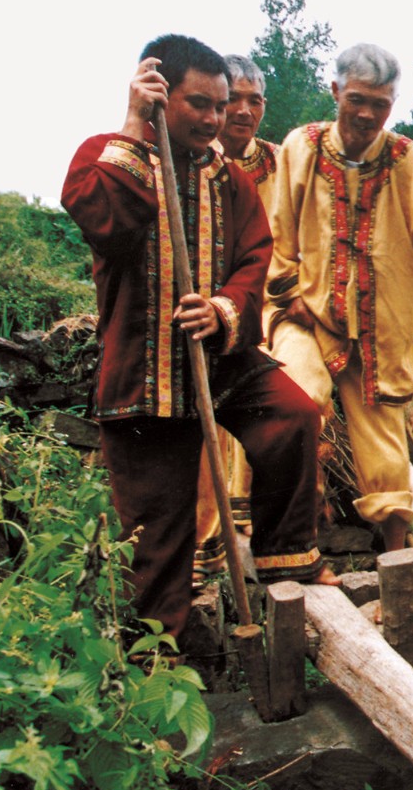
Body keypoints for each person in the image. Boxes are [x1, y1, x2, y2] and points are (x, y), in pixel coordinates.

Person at [62, 34, 332, 647]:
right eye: (200, 105)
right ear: (157, 93)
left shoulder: (229, 182)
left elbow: (253, 259)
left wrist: (222, 310)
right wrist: (134, 125)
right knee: (159, 533)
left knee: (291, 414)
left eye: (222, 105)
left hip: (222, 362)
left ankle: (288, 556)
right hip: (145, 376)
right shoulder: (104, 156)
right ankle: (168, 655)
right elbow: (105, 220)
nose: (214, 120)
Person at [266, 43, 413, 552]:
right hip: (306, 315)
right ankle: (291, 541)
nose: (367, 114)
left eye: (381, 105)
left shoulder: (405, 161)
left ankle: (399, 559)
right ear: (336, 92)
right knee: (296, 401)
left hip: (377, 326)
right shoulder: (300, 147)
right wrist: (288, 297)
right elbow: (276, 233)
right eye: (358, 100)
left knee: (386, 447)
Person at [191, 53, 279, 578]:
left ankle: (257, 521)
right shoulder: (197, 159)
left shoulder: (281, 161)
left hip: (272, 303)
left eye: (255, 100)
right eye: (235, 100)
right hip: (211, 304)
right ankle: (206, 539)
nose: (244, 111)